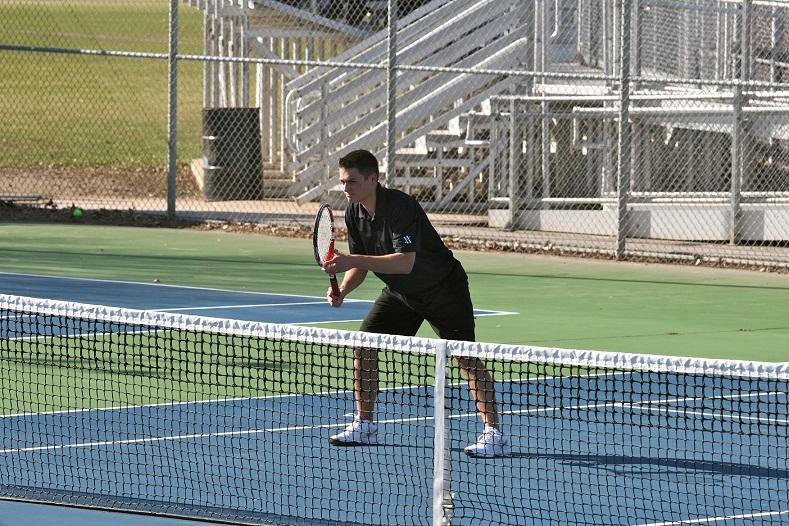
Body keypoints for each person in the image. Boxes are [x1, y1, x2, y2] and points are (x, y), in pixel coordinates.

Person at [321, 149, 510, 458]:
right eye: (342, 182)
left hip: (443, 289)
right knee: (364, 345)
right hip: (401, 294)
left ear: (373, 178)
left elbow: (404, 262)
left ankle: (494, 433)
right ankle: (365, 425)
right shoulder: (353, 213)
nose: (346, 188)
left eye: (352, 181)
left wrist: (348, 260)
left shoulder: (401, 207)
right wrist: (343, 288)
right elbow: (363, 264)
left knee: (465, 357)